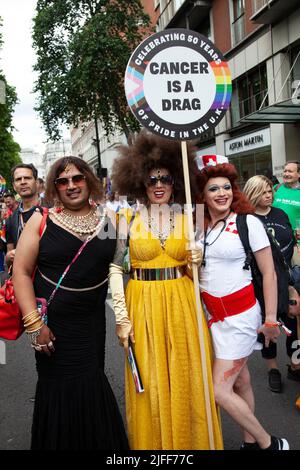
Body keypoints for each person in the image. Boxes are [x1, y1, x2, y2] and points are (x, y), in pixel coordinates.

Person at [109, 130, 223, 450]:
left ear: (176, 181)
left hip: (182, 305)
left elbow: (203, 275)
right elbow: (116, 268)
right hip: (142, 305)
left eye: (166, 179)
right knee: (151, 383)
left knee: (187, 378)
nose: (159, 185)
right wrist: (121, 316)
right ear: (139, 182)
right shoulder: (125, 217)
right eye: (151, 179)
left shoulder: (192, 216)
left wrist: (198, 261)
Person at [12, 156, 128, 450]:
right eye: (63, 181)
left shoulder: (110, 221)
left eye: (77, 178)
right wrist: (34, 324)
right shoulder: (42, 220)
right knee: (59, 390)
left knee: (92, 383)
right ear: (55, 187)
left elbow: (123, 267)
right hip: (53, 330)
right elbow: (21, 273)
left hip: (91, 326)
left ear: (89, 180)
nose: (72, 185)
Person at [196, 155, 289, 450]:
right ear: (203, 194)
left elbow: (269, 273)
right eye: (213, 189)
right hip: (212, 319)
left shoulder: (247, 222)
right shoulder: (197, 226)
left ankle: (269, 443)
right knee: (241, 382)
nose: (222, 193)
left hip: (240, 317)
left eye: (226, 187)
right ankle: (250, 443)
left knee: (219, 390)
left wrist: (271, 319)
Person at [243, 175, 298, 392]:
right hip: (260, 283)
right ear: (253, 193)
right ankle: (272, 369)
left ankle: (295, 363)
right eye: (264, 192)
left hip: (286, 279)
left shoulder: (281, 214)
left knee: (293, 320)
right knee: (269, 325)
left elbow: (291, 243)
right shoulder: (245, 219)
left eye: (270, 191)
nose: (270, 195)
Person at [5, 164, 42, 268]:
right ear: (14, 185)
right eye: (18, 179)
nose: (23, 182)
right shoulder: (10, 221)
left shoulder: (53, 211)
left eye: (27, 178)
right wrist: (8, 257)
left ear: (37, 182)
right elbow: (9, 258)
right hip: (24, 278)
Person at [273, 161, 300, 231]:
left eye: (290, 171)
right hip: (275, 237)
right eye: (285, 171)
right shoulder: (275, 188)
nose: (286, 174)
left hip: (296, 239)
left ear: (299, 174)